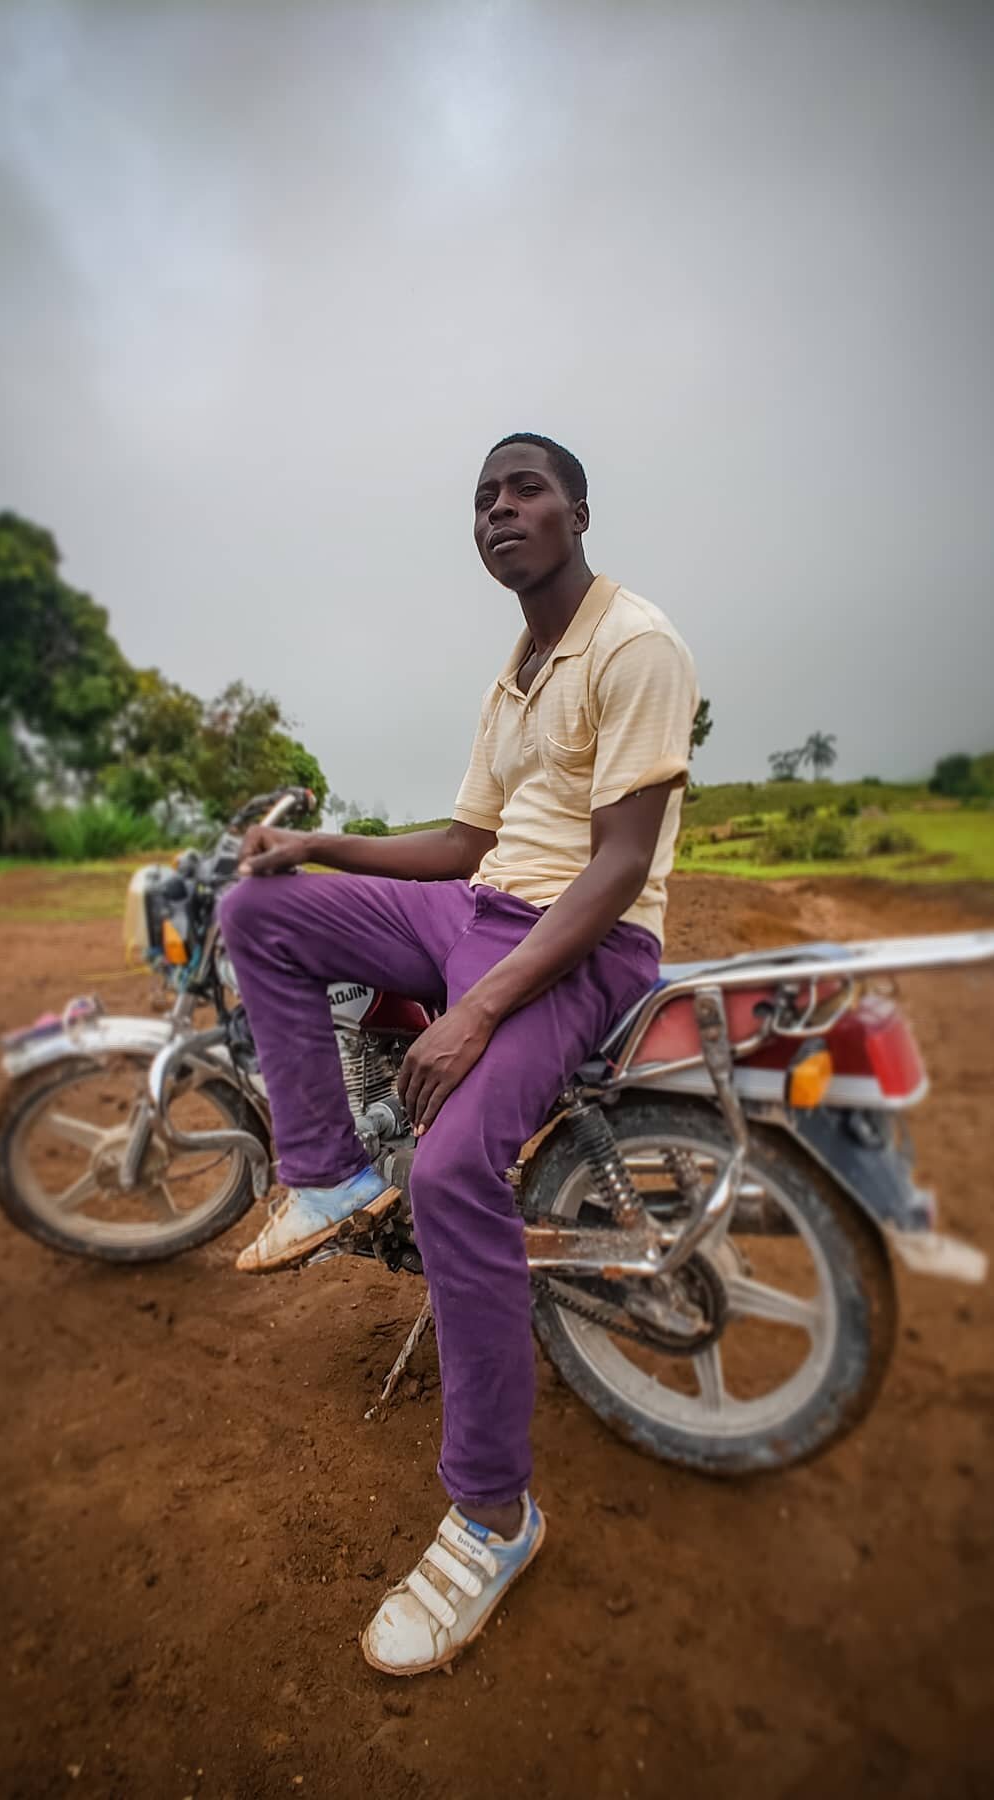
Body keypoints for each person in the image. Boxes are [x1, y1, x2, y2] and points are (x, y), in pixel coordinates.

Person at [219, 432, 698, 1675]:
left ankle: (494, 1514)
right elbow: (460, 840)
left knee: (446, 1177)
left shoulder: (632, 640)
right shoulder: (516, 671)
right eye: (482, 496)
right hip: (478, 909)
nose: (500, 510)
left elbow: (621, 864)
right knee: (258, 912)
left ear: (578, 509)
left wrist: (477, 1010)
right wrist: (318, 843)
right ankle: (325, 1172)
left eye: (524, 487)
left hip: (581, 942)